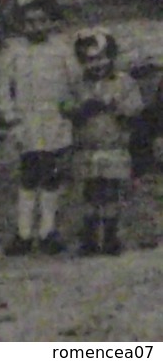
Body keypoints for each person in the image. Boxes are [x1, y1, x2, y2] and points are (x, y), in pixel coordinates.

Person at [0, 0, 73, 255]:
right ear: (20, 25)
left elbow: (73, 81)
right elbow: (4, 86)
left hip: (55, 121)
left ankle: (48, 231)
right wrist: (10, 115)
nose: (35, 27)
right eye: (29, 22)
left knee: (51, 174)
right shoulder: (14, 51)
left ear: (51, 21)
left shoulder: (62, 49)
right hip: (26, 123)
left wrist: (71, 107)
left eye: (41, 21)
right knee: (29, 175)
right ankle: (24, 232)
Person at [63, 28, 144, 256]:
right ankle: (89, 236)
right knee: (90, 190)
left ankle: (109, 236)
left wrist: (117, 106)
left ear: (111, 57)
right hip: (88, 147)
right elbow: (65, 106)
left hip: (112, 145)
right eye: (89, 61)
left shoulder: (123, 82)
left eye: (101, 58)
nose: (96, 65)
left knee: (110, 190)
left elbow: (135, 107)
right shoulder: (79, 85)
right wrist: (80, 109)